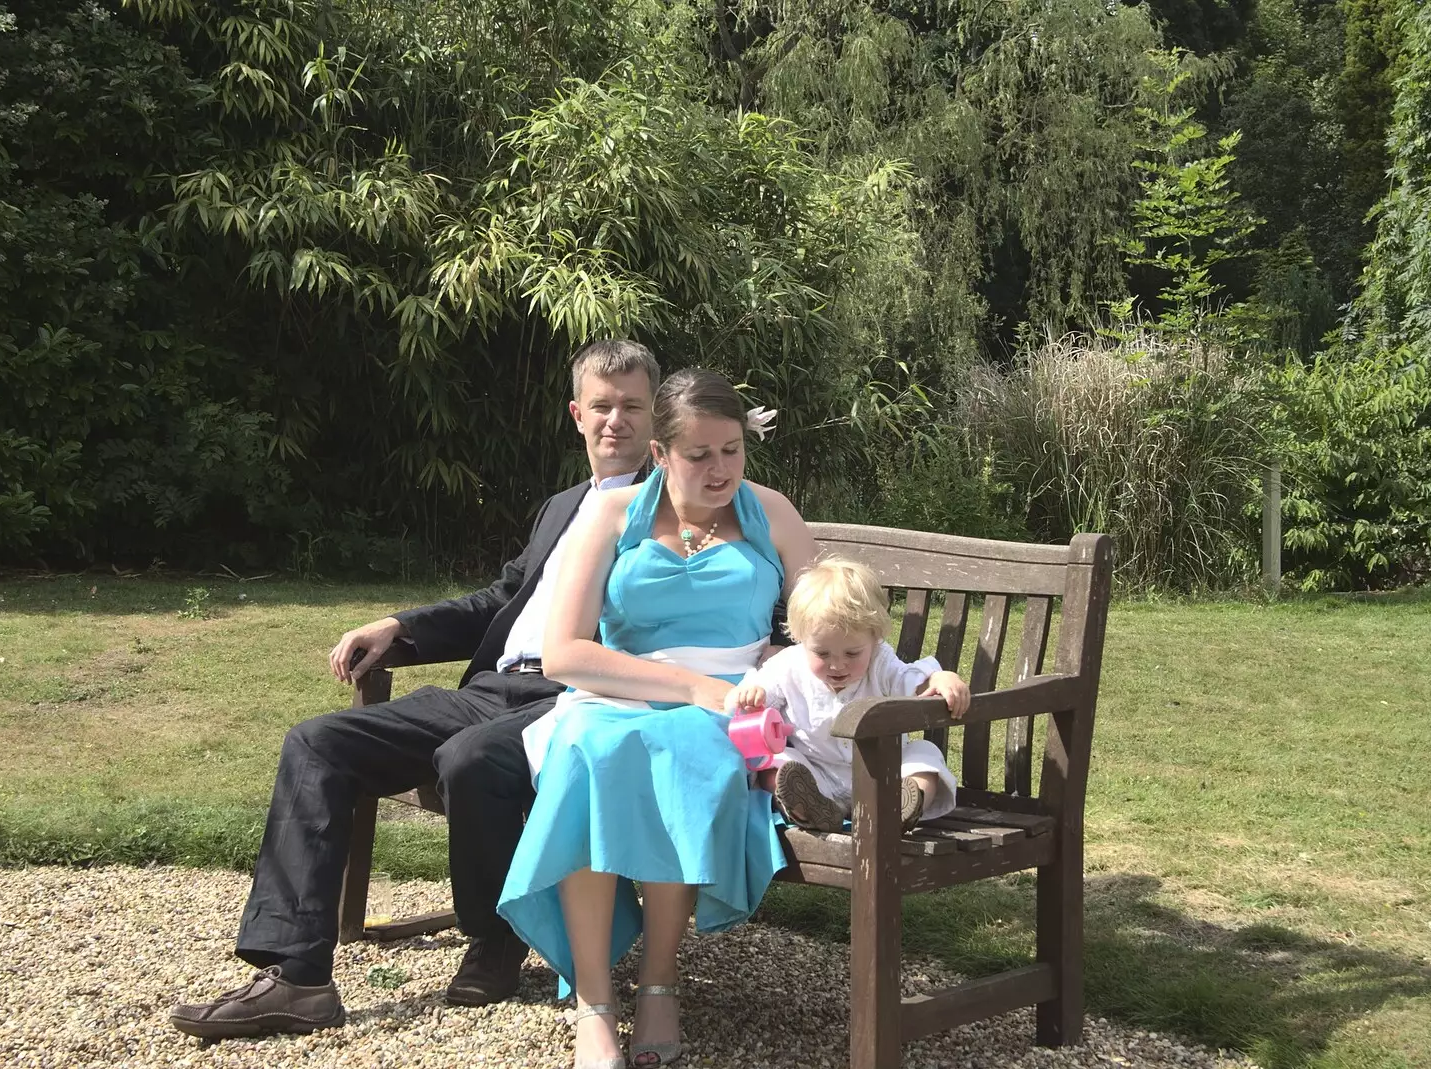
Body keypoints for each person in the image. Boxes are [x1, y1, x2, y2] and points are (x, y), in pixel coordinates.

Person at [169, 340, 661, 1041]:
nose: (617, 421)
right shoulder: (563, 505)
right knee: (317, 743)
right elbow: (503, 599)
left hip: (579, 699)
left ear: (654, 416)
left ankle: (495, 936)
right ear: (577, 414)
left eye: (633, 406)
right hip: (494, 687)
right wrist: (401, 626)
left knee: (469, 757)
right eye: (603, 406)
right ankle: (297, 976)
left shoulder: (669, 512)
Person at [495, 368, 819, 1069]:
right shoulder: (612, 517)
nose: (719, 469)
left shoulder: (773, 513)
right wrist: (690, 684)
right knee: (587, 748)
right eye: (699, 454)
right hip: (618, 692)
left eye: (731, 449)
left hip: (732, 708)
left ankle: (659, 983)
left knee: (683, 750)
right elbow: (564, 652)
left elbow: (822, 622)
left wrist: (783, 662)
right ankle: (593, 1004)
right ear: (661, 453)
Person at [724, 556, 971, 833]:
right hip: (816, 775)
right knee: (778, 764)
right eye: (822, 653)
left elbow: (910, 682)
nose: (837, 664)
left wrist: (938, 678)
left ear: (874, 639)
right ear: (800, 637)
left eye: (852, 653)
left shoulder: (881, 662)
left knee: (924, 755)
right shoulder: (787, 665)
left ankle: (899, 810)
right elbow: (747, 701)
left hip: (885, 776)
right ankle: (808, 807)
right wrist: (750, 695)